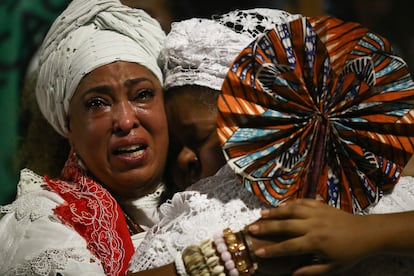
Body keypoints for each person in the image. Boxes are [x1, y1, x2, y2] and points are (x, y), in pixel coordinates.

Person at [129, 9, 414, 276]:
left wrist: (370, 233)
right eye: (175, 147)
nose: (182, 159)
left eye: (198, 138)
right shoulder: (192, 215)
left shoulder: (384, 189)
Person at [0, 0, 169, 274]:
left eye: (142, 95)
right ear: (68, 127)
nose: (126, 121)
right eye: (97, 103)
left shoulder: (210, 193)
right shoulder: (42, 224)